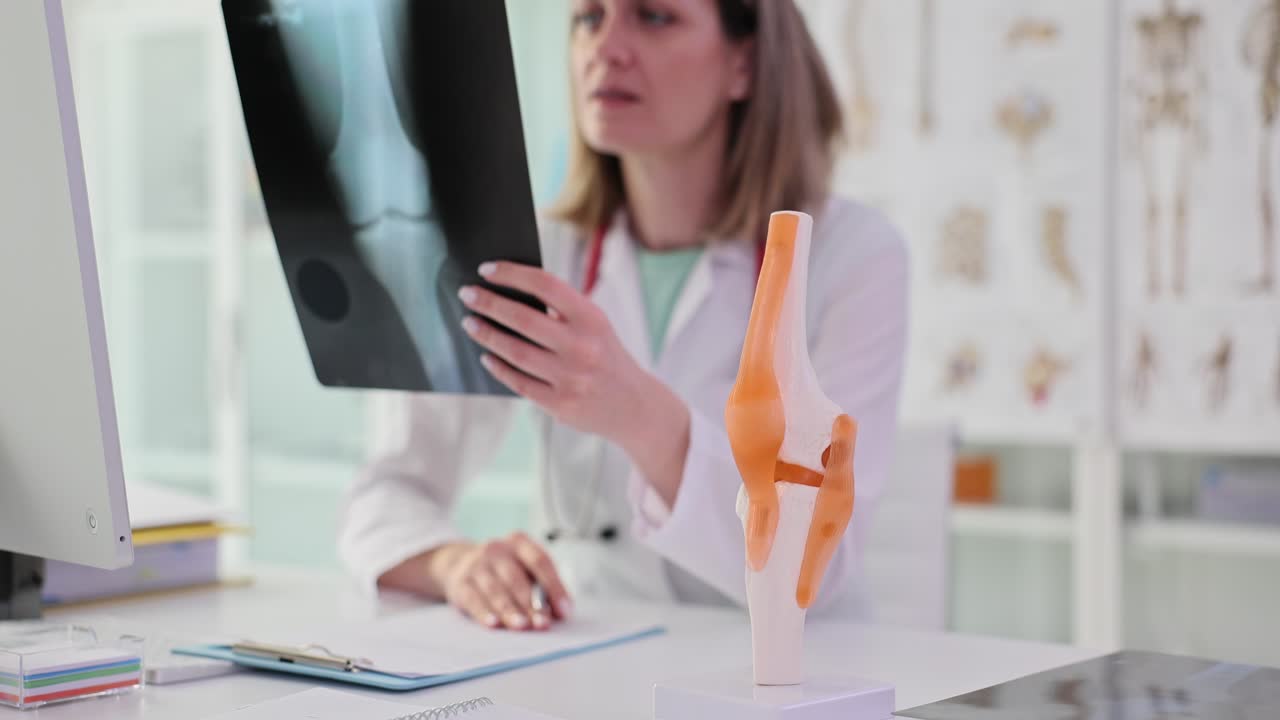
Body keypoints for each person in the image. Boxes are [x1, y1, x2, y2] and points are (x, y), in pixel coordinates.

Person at [338, 0, 909, 632]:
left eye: (654, 17)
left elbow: (815, 565)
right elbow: (383, 496)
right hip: (590, 654)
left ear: (744, 63)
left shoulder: (851, 256)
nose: (606, 48)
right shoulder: (539, 253)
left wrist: (638, 412)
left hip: (786, 669)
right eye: (588, 18)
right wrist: (453, 565)